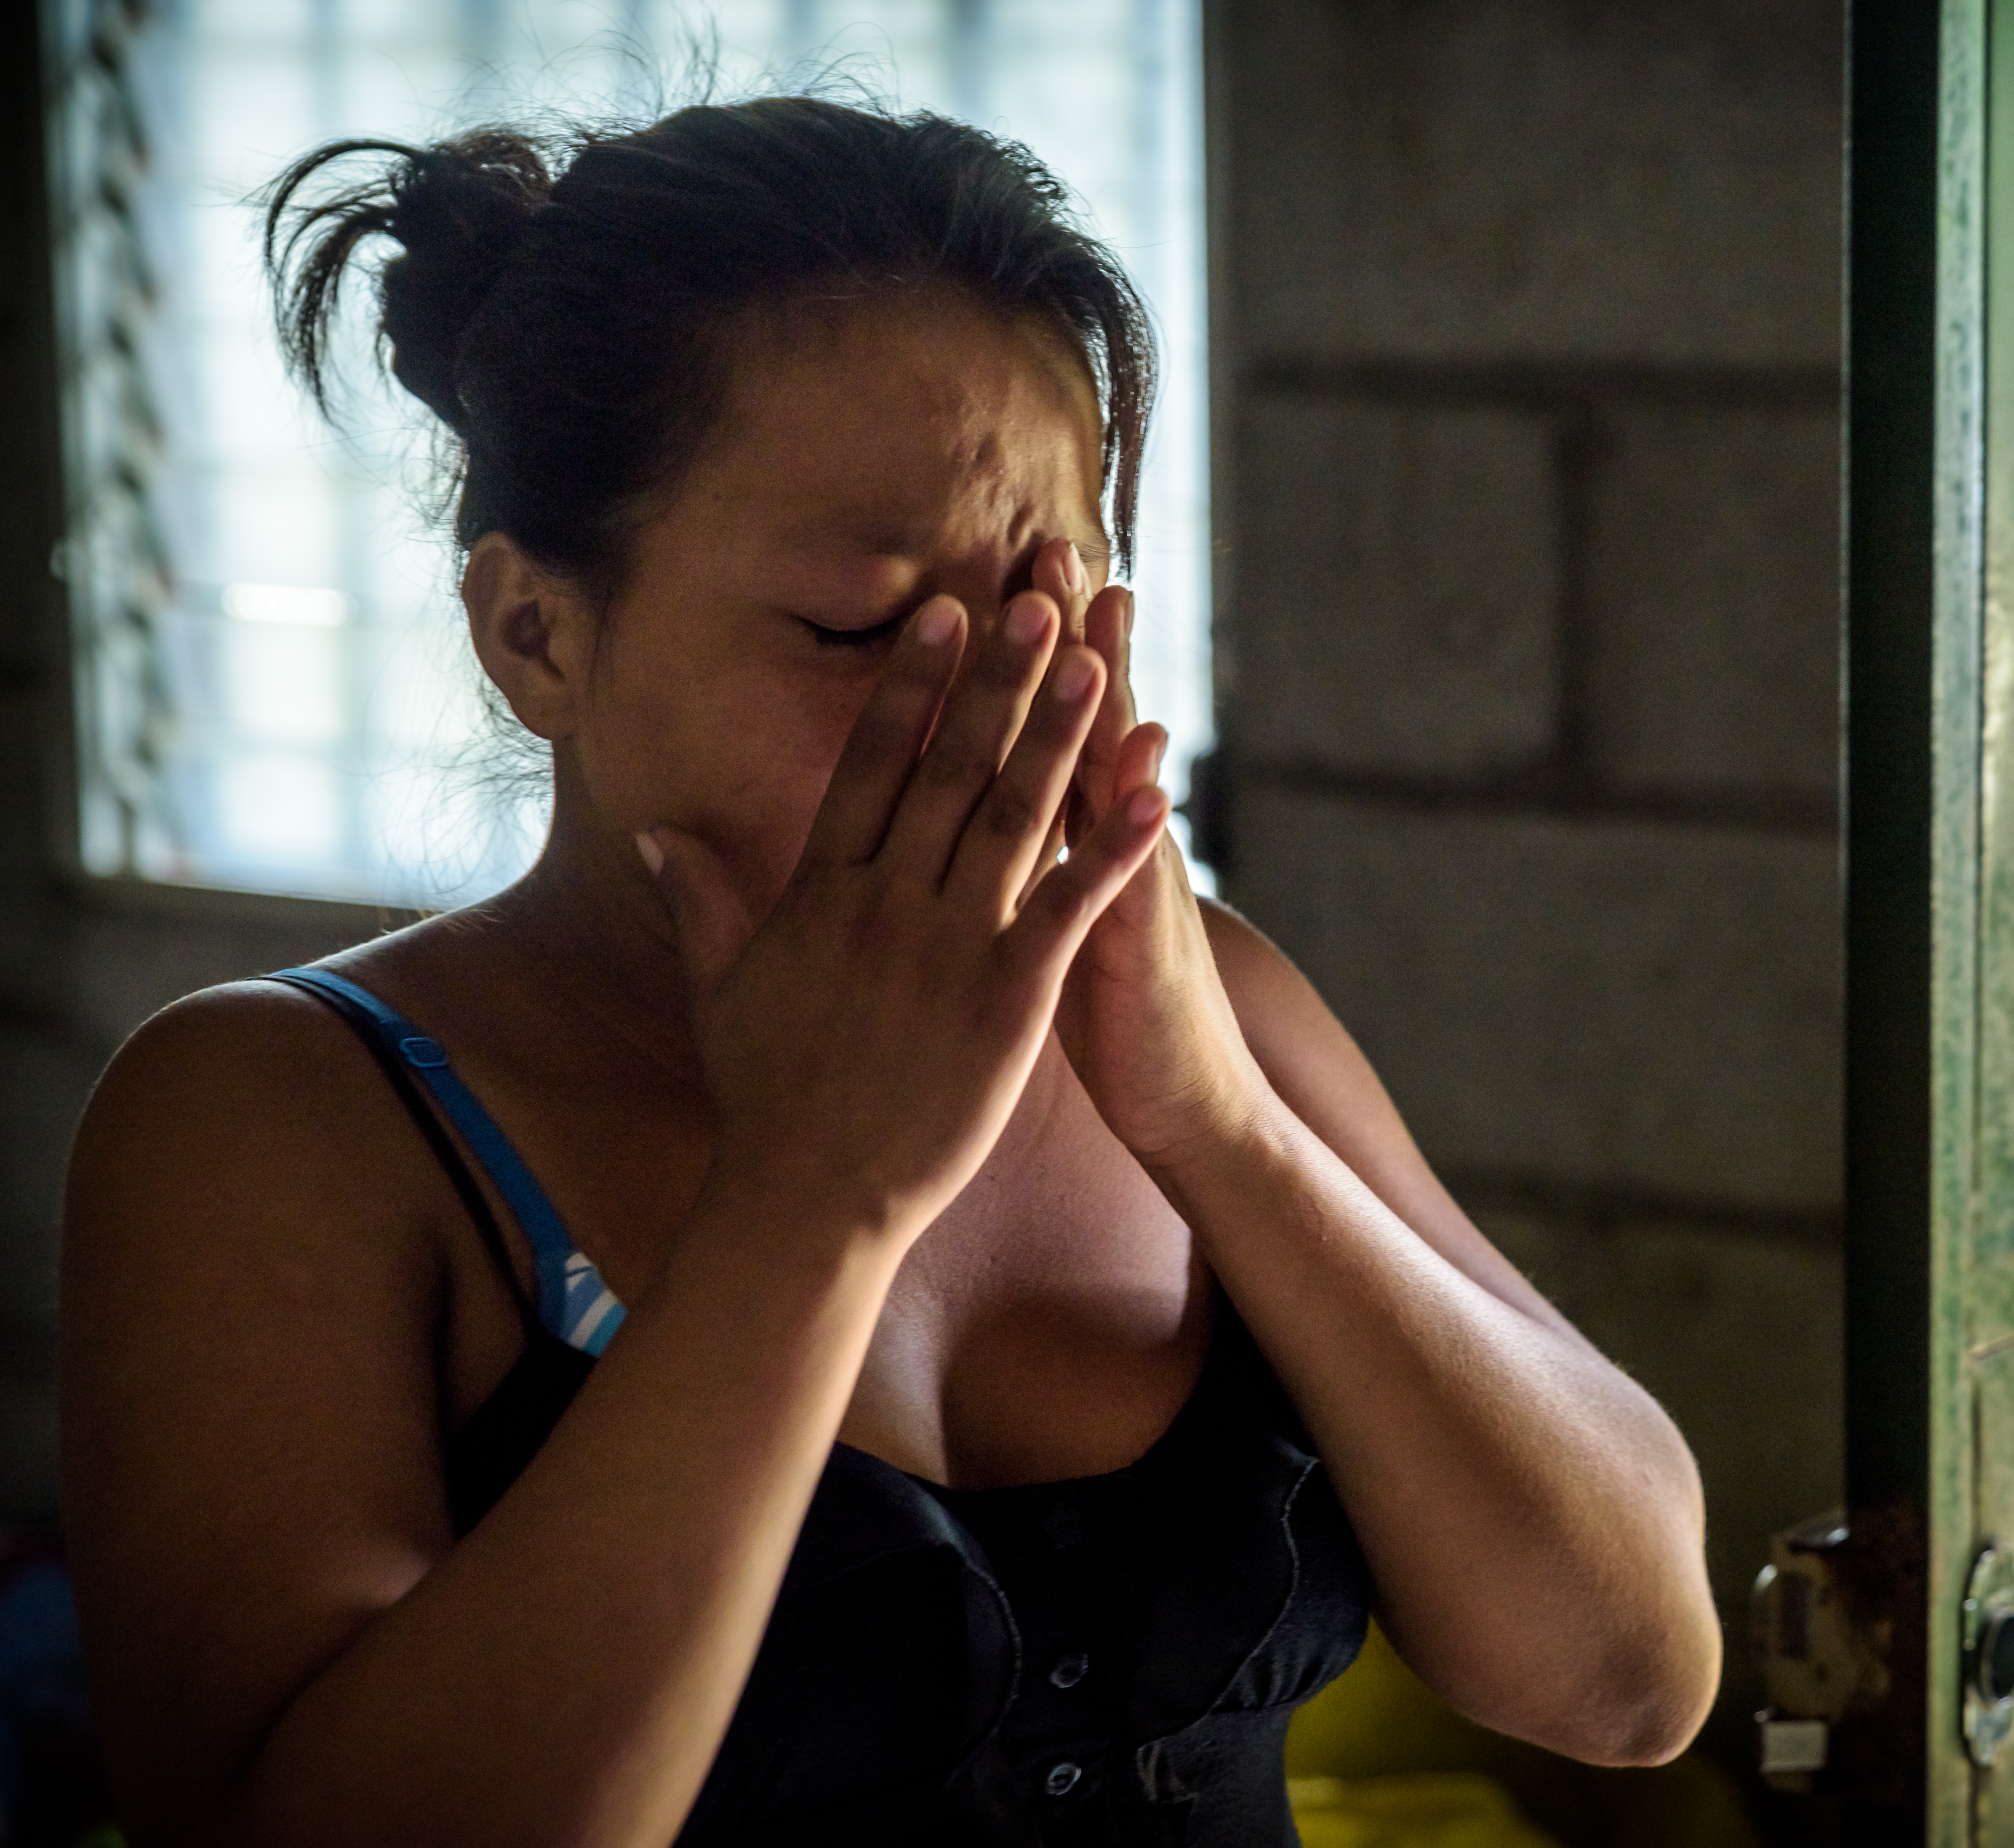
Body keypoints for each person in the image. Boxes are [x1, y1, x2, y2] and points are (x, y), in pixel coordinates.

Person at [56, 98, 1721, 1846]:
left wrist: (1219, 1126)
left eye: (1046, 611)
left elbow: (1629, 1681)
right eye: (858, 632)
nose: (982, 718)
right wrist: (812, 1198)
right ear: (533, 635)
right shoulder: (283, 1112)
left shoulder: (1195, 998)